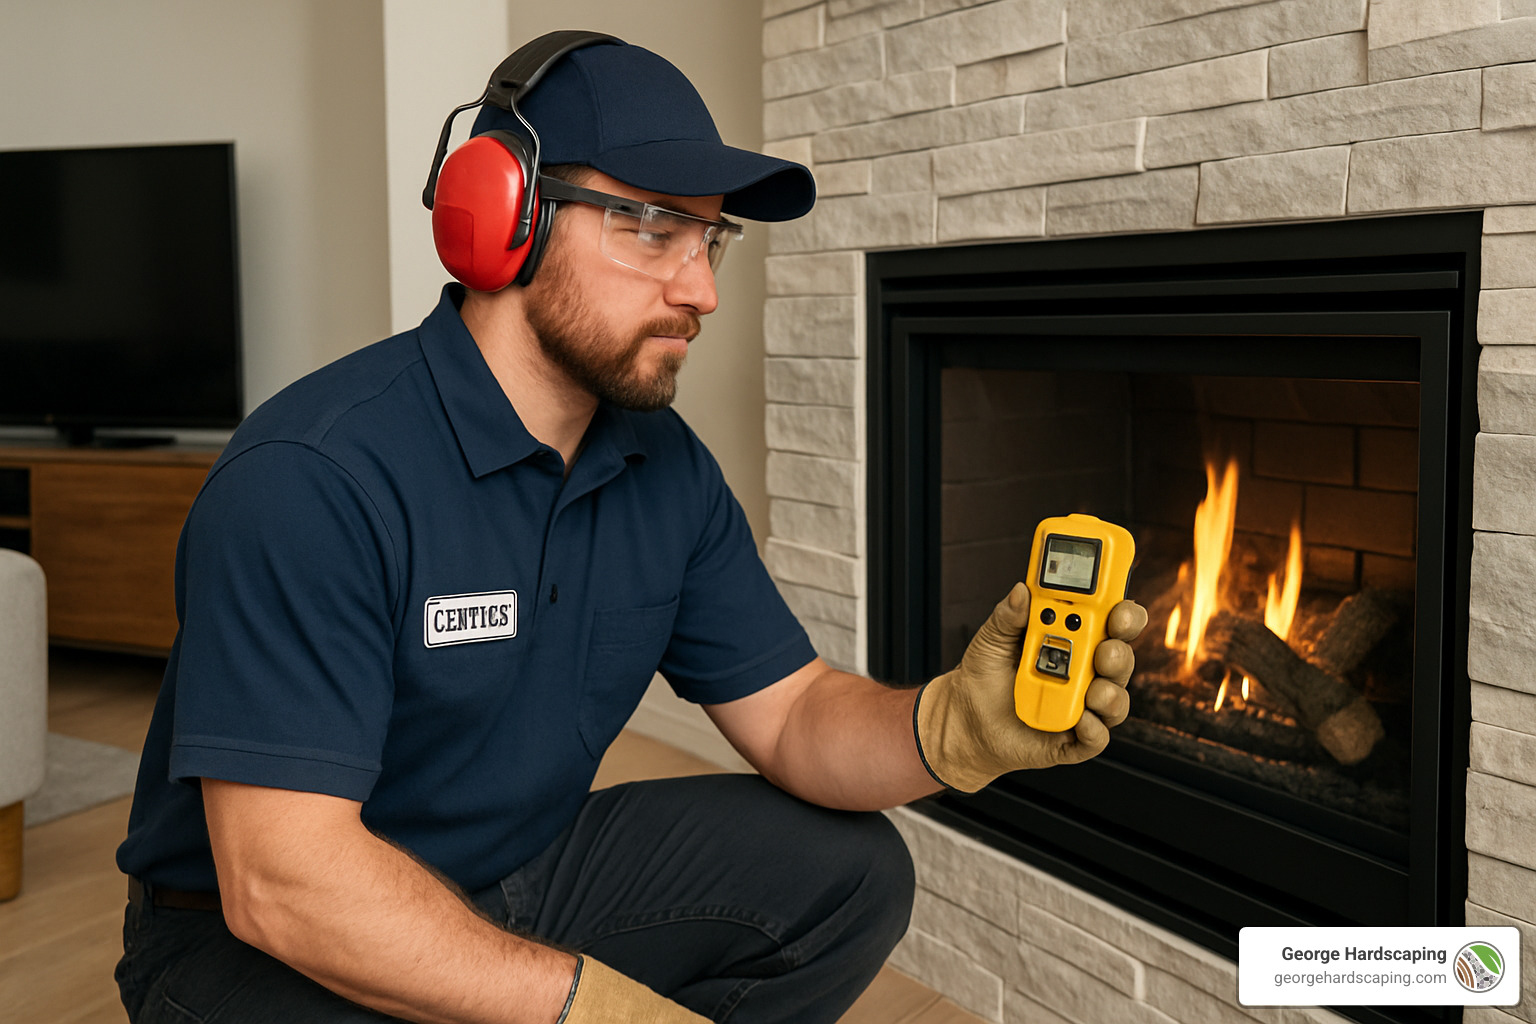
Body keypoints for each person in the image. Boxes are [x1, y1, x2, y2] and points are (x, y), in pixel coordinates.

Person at [114, 33, 1145, 1024]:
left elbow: (792, 716)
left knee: (850, 867)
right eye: (652, 228)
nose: (700, 290)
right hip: (252, 947)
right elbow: (284, 884)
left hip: (509, 878)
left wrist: (952, 726)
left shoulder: (663, 465)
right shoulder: (315, 474)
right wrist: (593, 1007)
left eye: (711, 239)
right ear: (506, 213)